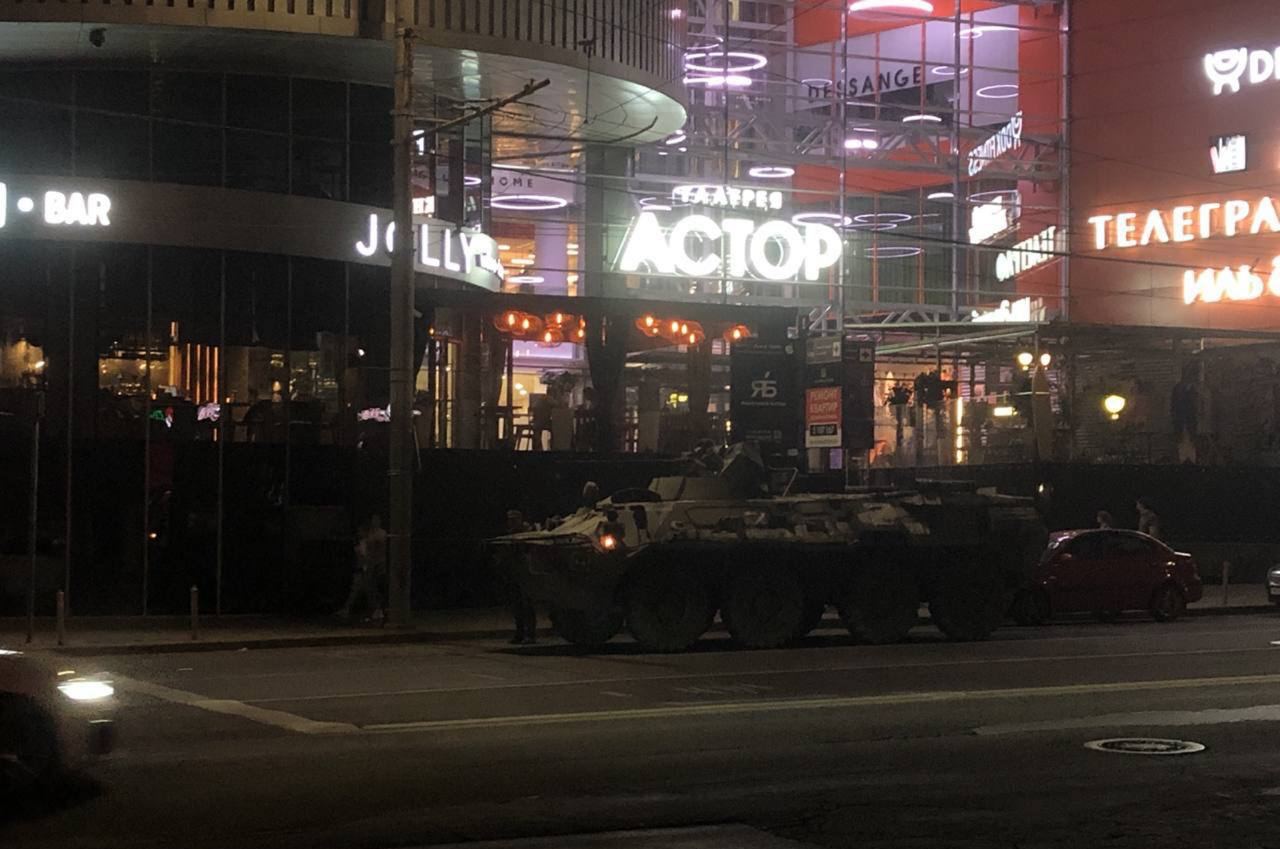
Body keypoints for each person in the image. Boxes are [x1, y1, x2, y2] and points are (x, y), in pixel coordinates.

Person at [337, 514, 388, 623]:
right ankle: (351, 609)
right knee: (361, 589)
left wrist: (369, 565)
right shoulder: (364, 540)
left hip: (371, 567)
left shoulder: (379, 535)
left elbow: (371, 554)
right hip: (364, 568)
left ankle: (376, 609)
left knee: (369, 589)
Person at [503, 509, 537, 644]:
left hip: (526, 572)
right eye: (509, 520)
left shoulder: (527, 532)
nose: (511, 522)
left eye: (514, 520)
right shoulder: (511, 534)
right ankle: (520, 633)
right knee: (517, 605)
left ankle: (530, 634)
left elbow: (529, 552)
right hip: (515, 572)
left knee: (527, 604)